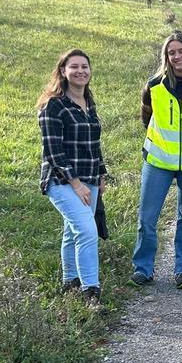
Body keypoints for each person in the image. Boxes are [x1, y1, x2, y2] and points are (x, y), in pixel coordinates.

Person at [130, 32, 182, 289]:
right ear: (166, 57)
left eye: (181, 51)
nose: (177, 56)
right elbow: (147, 120)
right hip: (157, 162)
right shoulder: (153, 86)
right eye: (171, 52)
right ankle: (143, 269)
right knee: (147, 217)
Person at [37, 48, 107, 305]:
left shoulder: (88, 103)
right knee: (87, 231)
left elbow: (94, 143)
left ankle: (70, 281)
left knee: (73, 230)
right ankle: (91, 292)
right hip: (60, 180)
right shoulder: (52, 106)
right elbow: (53, 152)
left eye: (84, 67)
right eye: (74, 67)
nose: (80, 71)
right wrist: (76, 184)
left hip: (90, 177)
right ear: (63, 72)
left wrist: (101, 174)